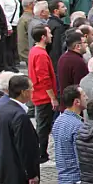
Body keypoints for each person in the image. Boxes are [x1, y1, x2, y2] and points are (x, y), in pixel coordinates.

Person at [28, 24, 57, 163]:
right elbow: (44, 78)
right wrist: (53, 97)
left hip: (39, 94)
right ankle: (41, 153)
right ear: (43, 37)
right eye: (49, 33)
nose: (51, 36)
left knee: (42, 125)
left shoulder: (35, 51)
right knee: (43, 127)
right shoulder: (40, 54)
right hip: (43, 96)